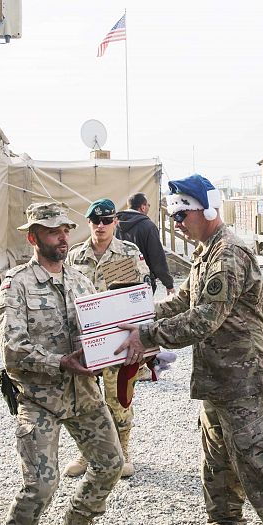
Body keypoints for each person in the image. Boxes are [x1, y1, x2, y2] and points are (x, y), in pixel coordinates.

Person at [116, 175, 263, 525]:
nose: (177, 223)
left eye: (182, 215)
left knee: (262, 475)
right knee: (219, 474)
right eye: (173, 216)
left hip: (245, 386)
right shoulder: (206, 250)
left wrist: (144, 335)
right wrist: (140, 314)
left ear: (206, 209)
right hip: (219, 383)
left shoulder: (228, 254)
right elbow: (184, 301)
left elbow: (203, 319)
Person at [0, 202, 124, 525]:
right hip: (40, 399)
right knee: (40, 487)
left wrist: (125, 349)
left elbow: (102, 331)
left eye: (65, 230)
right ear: (33, 238)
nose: (62, 238)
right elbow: (12, 350)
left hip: (85, 395)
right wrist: (60, 362)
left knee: (111, 465)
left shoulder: (81, 282)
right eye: (53, 232)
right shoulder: (16, 285)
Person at [65, 198, 150, 479]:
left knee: (119, 399)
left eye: (106, 221)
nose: (100, 226)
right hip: (85, 340)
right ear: (88, 223)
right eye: (95, 221)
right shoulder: (75, 257)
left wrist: (143, 338)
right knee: (85, 401)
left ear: (116, 222)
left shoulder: (128, 253)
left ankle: (123, 451)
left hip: (118, 338)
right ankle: (87, 453)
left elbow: (141, 294)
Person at [116, 192, 175, 294]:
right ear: (142, 207)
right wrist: (168, 284)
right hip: (143, 282)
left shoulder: (114, 225)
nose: (148, 207)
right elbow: (157, 257)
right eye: (148, 205)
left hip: (118, 282)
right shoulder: (148, 226)